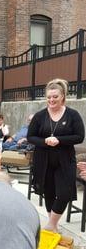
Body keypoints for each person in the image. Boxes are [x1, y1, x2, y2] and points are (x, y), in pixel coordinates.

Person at [27, 78, 85, 232]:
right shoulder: (40, 116)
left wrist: (59, 140)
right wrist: (45, 141)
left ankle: (51, 224)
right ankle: (53, 224)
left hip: (65, 161)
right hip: (43, 160)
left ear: (63, 97)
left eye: (55, 97)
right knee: (49, 192)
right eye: (49, 97)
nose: (51, 100)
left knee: (65, 193)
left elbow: (79, 136)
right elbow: (30, 137)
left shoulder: (73, 115)